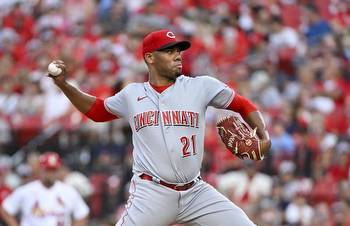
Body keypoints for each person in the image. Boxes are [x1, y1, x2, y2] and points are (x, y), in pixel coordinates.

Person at [47, 29, 271, 226]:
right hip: (152, 193)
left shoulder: (201, 86)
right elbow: (97, 111)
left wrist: (263, 133)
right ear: (150, 58)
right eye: (169, 51)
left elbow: (243, 104)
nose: (177, 55)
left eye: (178, 51)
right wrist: (64, 85)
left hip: (195, 192)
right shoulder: (132, 94)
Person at [0, 152, 89, 226]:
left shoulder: (68, 191)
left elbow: (82, 213)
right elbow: (5, 210)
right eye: (48, 170)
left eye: (54, 170)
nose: (51, 174)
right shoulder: (26, 190)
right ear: (41, 170)